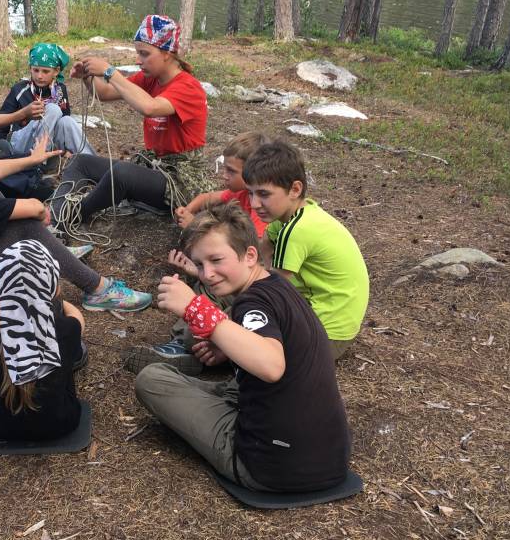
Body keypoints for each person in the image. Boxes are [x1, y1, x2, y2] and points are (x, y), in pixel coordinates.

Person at [134, 204, 352, 493]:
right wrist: (227, 350)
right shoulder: (277, 285)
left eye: (216, 260)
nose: (207, 273)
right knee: (206, 380)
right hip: (330, 458)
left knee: (153, 379)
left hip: (270, 466)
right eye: (199, 264)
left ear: (250, 255)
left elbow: (271, 366)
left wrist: (195, 309)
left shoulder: (251, 303)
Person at [0, 126, 152, 312]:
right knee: (23, 223)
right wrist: (39, 211)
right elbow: (31, 208)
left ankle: (53, 251)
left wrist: (31, 160)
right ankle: (97, 289)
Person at [124, 131, 271, 373]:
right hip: (245, 286)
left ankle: (184, 345)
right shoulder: (242, 195)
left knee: (209, 288)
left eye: (231, 171)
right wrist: (188, 210)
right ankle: (190, 345)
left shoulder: (261, 213)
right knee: (208, 283)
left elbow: (247, 260)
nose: (224, 175)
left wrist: (195, 227)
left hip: (251, 295)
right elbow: (207, 197)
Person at [54, 14, 209, 224]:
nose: (138, 60)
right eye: (138, 53)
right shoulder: (150, 79)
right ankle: (56, 211)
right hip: (154, 168)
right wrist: (88, 77)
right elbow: (105, 93)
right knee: (80, 162)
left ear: (166, 53)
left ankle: (71, 216)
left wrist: (110, 71)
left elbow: (150, 107)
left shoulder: (188, 87)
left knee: (122, 173)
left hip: (180, 180)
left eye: (144, 54)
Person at [244, 139, 369, 360]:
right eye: (250, 193)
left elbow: (272, 290)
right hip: (339, 325)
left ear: (295, 189)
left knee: (246, 335)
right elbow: (265, 244)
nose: (254, 204)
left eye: (263, 194)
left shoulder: (296, 231)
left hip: (326, 335)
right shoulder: (300, 214)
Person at [0, 240, 86, 441]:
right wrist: (43, 297)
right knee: (75, 349)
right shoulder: (66, 330)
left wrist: (9, 297)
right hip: (59, 424)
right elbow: (78, 318)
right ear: (55, 288)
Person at [0, 42, 96, 158]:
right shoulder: (20, 89)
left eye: (45, 71)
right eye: (36, 70)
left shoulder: (60, 90)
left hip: (49, 144)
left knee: (67, 121)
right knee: (53, 109)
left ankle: (92, 162)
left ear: (56, 71)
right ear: (30, 68)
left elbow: (63, 124)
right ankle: (37, 160)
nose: (39, 76)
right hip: (21, 144)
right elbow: (1, 121)